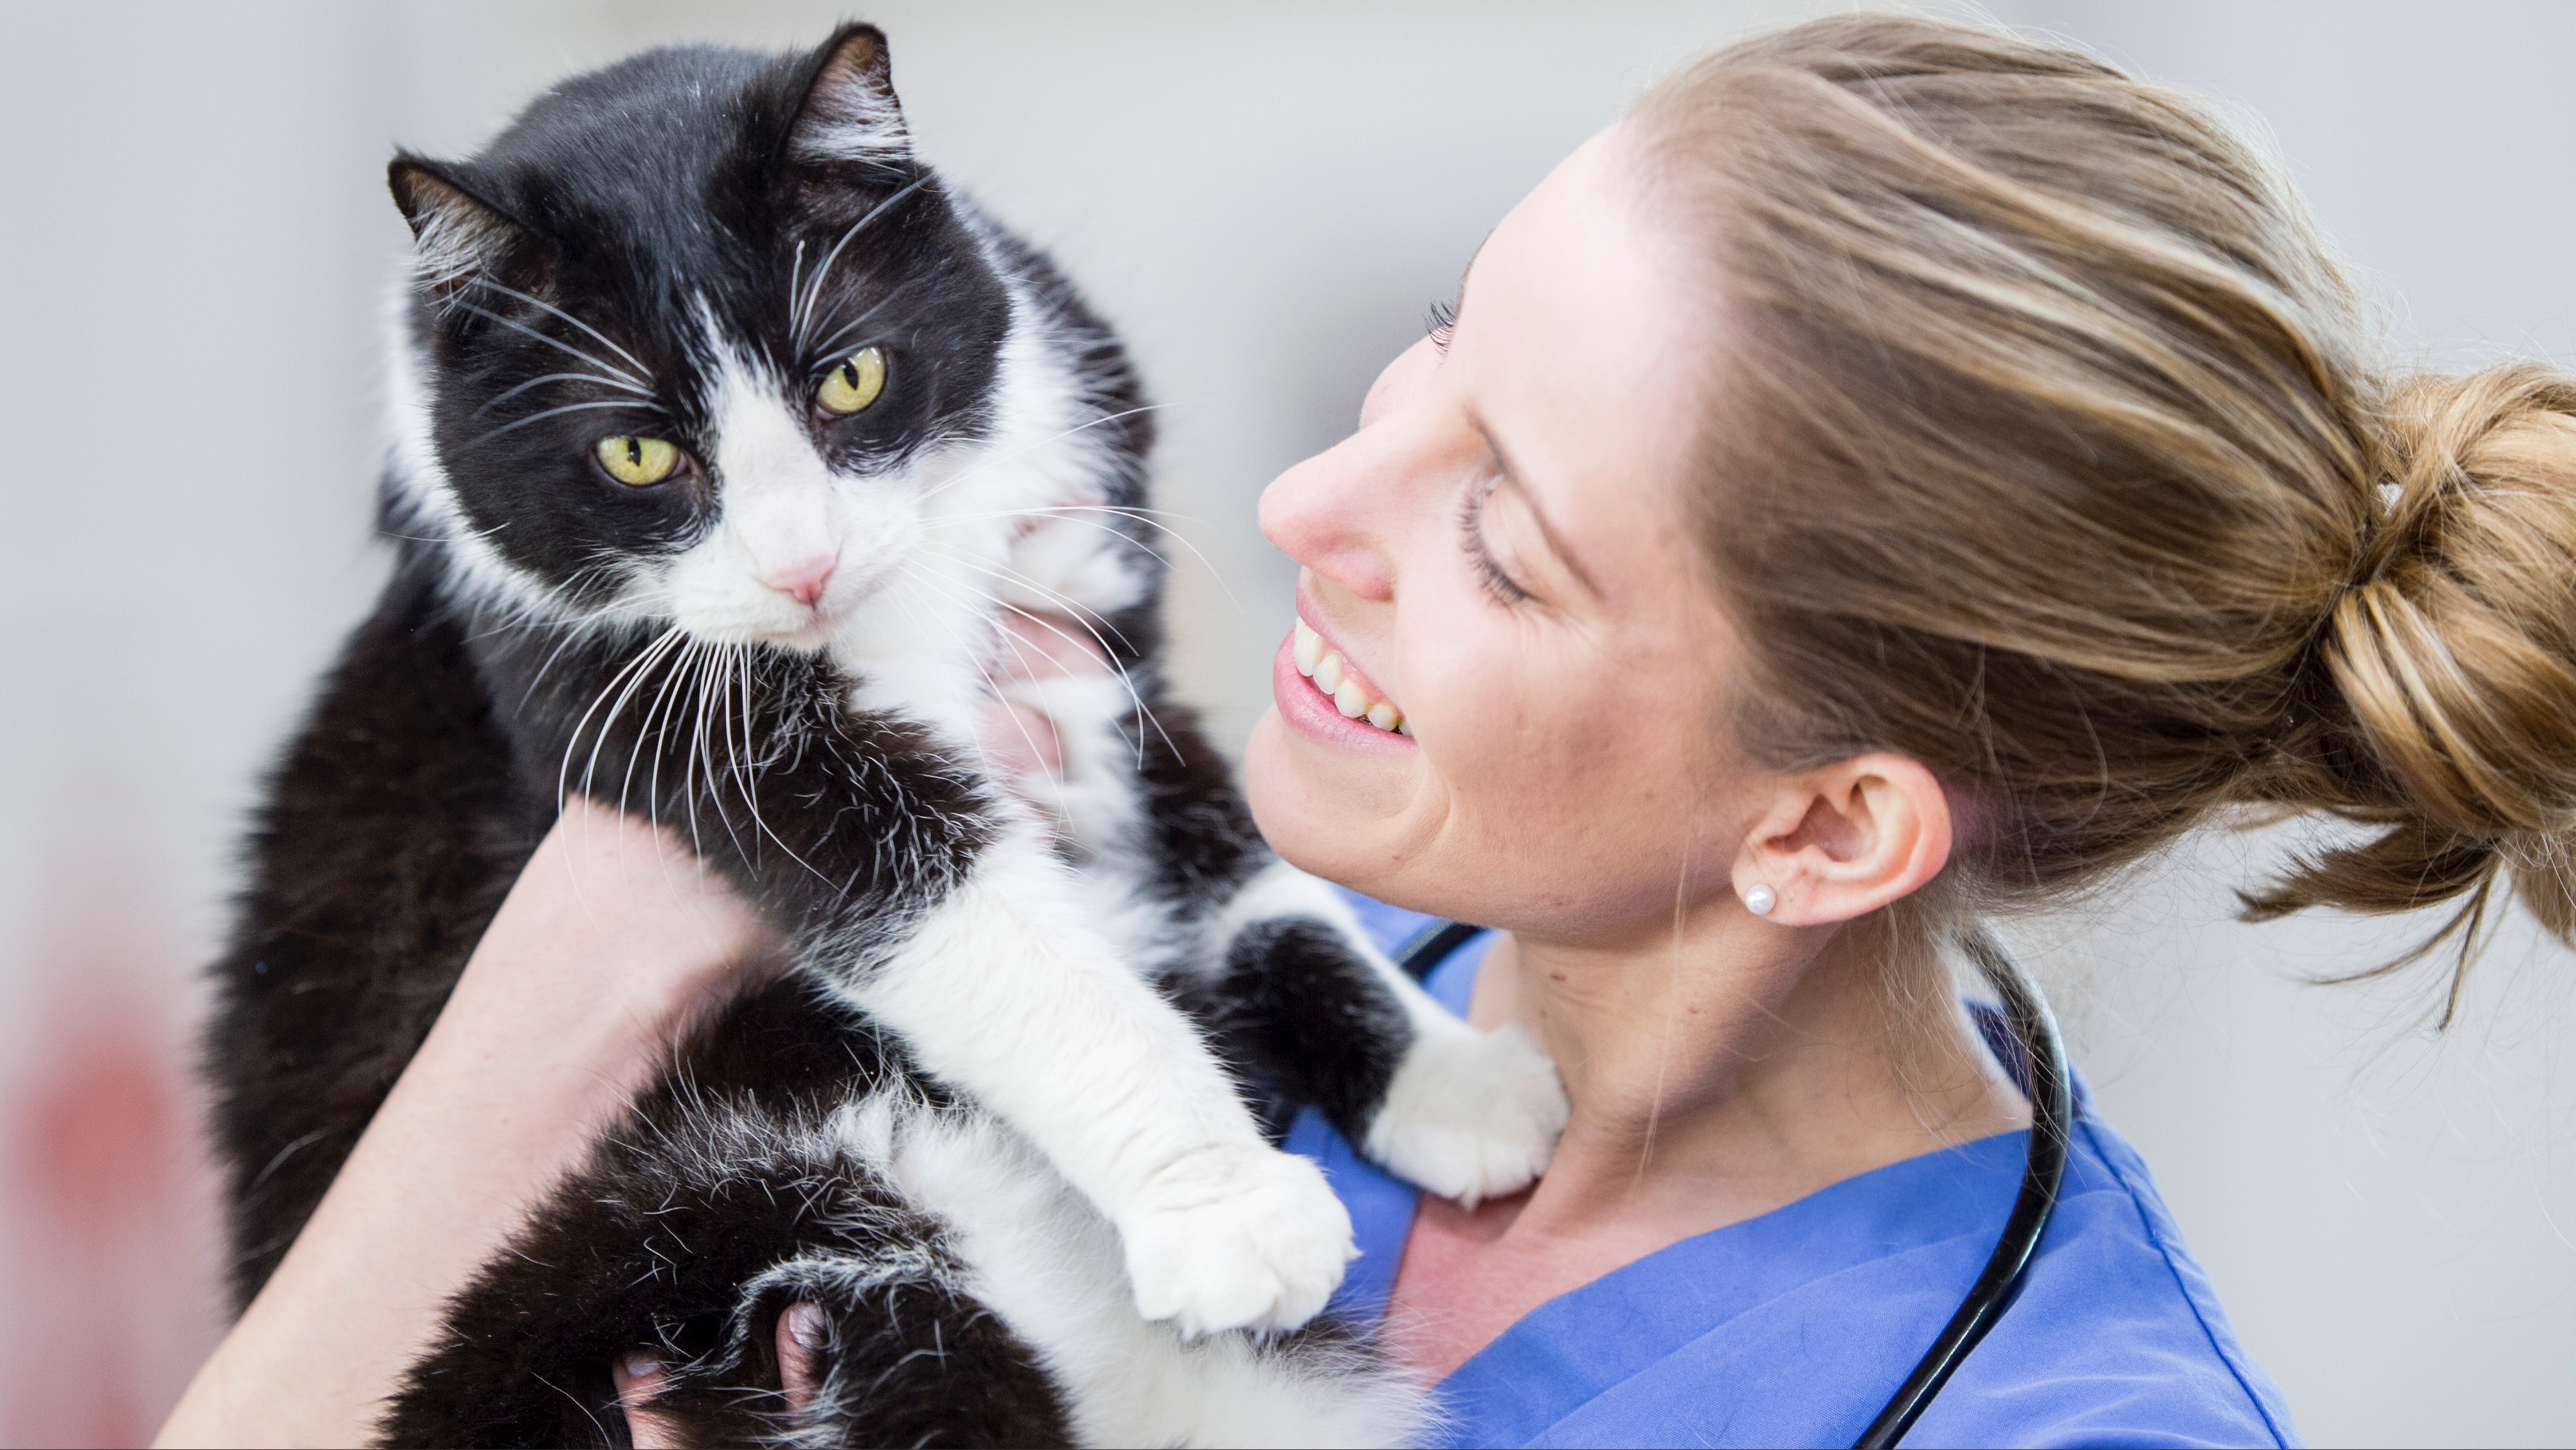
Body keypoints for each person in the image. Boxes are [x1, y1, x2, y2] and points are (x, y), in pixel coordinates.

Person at [163, 12, 2576, 1445]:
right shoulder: (1262, 983)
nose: (1309, 498)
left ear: (1830, 825)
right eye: (1440, 344)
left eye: (1505, 540)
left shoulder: (2052, 1422)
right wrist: (600, 954)